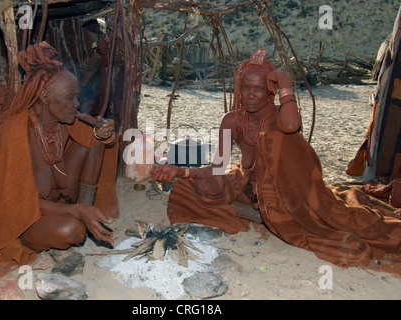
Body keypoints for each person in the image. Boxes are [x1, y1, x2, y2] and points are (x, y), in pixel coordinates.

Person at [150, 48, 401, 267]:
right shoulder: (231, 121)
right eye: (245, 88)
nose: (251, 94)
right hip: (249, 183)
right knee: (188, 191)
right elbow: (218, 167)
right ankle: (257, 207)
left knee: (330, 214)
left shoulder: (281, 115)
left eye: (259, 88)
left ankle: (267, 209)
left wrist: (283, 80)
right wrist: (181, 171)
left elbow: (292, 126)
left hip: (290, 187)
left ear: (270, 91)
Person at [0, 42, 120, 268]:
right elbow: (19, 203)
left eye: (77, 97)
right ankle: (80, 215)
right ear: (44, 96)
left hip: (63, 202)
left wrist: (105, 132)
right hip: (26, 217)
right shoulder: (16, 132)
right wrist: (77, 211)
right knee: (73, 231)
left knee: (94, 140)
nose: (77, 104)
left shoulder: (66, 120)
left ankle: (87, 210)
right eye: (70, 98)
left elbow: (101, 138)